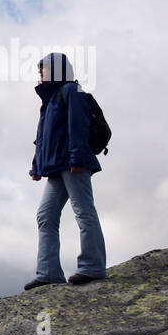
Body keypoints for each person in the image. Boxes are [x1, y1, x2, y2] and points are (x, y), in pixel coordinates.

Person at [25, 52, 106, 290]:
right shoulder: (48, 100)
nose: (40, 72)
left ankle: (93, 267)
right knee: (45, 216)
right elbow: (43, 138)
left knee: (83, 211)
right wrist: (36, 166)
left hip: (73, 163)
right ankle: (48, 272)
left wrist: (77, 157)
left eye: (44, 68)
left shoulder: (72, 90)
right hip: (56, 167)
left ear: (58, 69)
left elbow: (78, 127)